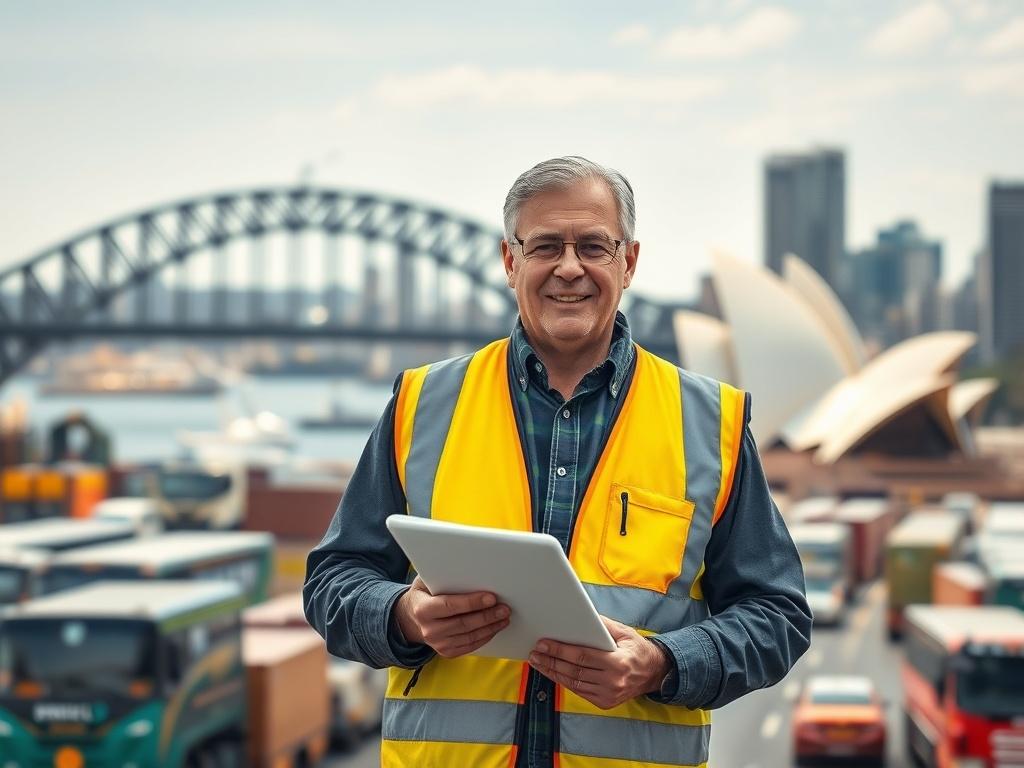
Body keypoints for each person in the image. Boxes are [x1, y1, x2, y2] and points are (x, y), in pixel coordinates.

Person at [304, 156, 811, 768]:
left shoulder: (709, 423)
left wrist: (664, 663)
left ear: (629, 263)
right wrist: (404, 617)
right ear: (509, 260)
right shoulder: (422, 404)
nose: (569, 267)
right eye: (545, 246)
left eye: (593, 246)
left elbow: (778, 616)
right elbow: (332, 582)